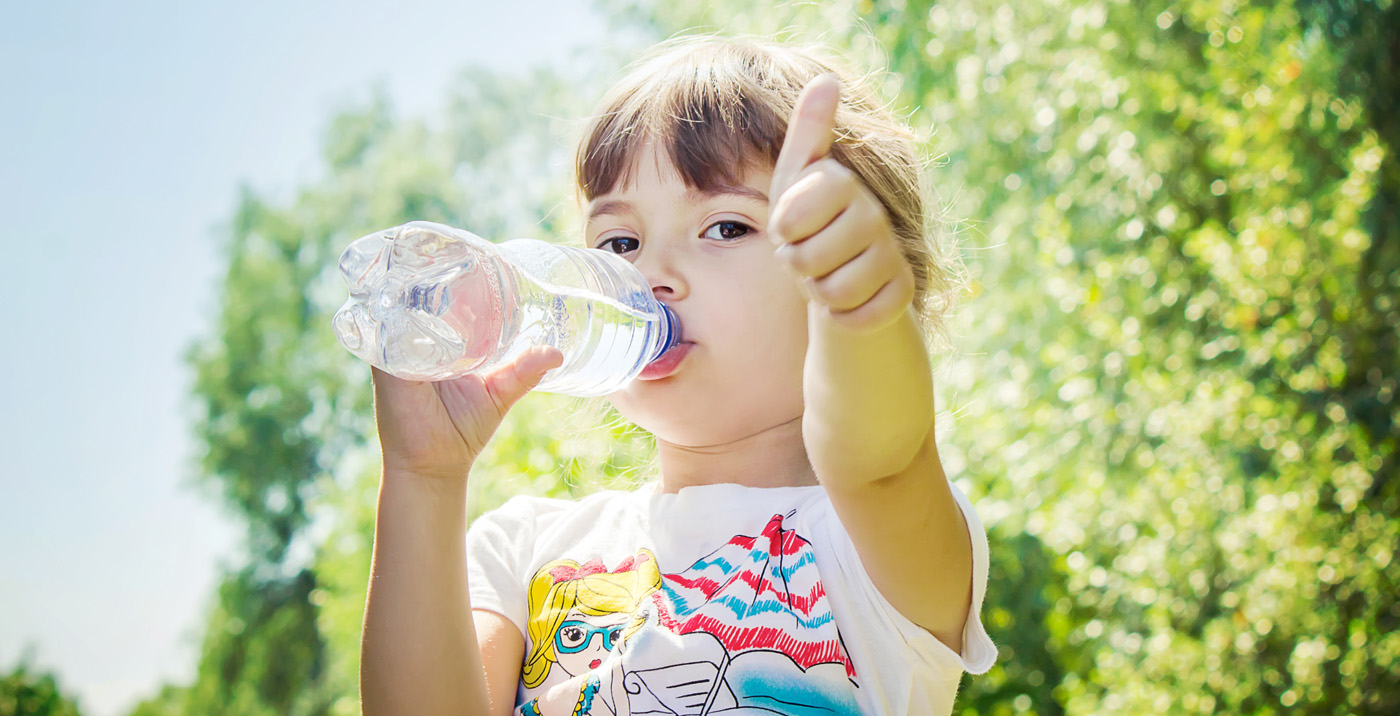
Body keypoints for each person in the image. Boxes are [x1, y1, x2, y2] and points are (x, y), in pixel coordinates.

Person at [359, 36, 997, 716]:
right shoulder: (523, 550)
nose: (649, 273)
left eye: (725, 227)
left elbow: (881, 457)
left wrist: (863, 314)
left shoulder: (865, 548)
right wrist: (422, 479)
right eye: (620, 243)